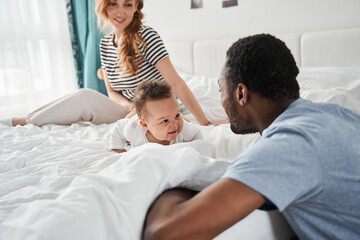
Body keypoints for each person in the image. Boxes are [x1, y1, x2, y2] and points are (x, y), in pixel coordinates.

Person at [143, 34, 360, 239]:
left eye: (221, 90)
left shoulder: (288, 146)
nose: (222, 100)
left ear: (240, 93)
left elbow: (164, 233)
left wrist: (178, 178)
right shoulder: (340, 113)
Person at [7, 0, 210, 127]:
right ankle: (24, 120)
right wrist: (131, 105)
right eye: (113, 3)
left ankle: (24, 120)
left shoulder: (147, 36)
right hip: (131, 108)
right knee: (84, 96)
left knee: (133, 128)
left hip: (156, 105)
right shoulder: (105, 44)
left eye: (127, 4)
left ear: (136, 7)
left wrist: (205, 122)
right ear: (104, 6)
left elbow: (175, 82)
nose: (120, 12)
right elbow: (112, 92)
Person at [110, 79, 202, 153]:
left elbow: (197, 134)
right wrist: (117, 149)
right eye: (165, 121)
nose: (174, 125)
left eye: (177, 115)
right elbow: (118, 127)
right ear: (145, 125)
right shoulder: (135, 131)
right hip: (133, 115)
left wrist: (193, 150)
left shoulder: (184, 129)